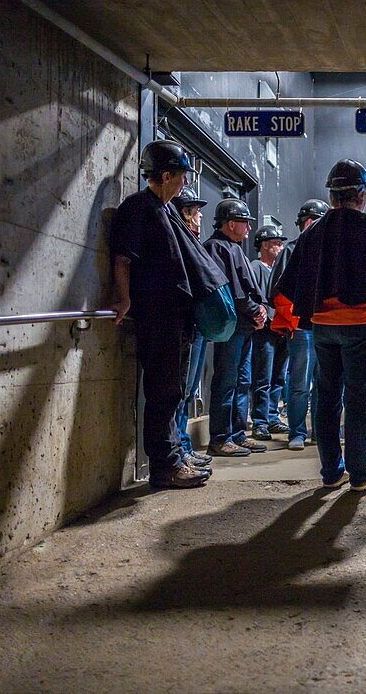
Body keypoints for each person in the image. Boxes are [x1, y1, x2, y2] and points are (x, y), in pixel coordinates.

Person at [274, 160, 366, 492]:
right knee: (359, 399)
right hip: (359, 326)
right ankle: (360, 473)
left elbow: (293, 280)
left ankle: (331, 472)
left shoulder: (312, 232)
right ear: (361, 195)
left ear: (332, 196)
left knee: (326, 397)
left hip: (321, 326)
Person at [108, 140, 214, 489]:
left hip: (177, 316)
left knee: (174, 391)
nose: (184, 185)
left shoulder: (166, 210)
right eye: (181, 178)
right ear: (165, 175)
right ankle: (165, 467)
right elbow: (123, 258)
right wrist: (123, 299)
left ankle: (174, 455)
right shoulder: (139, 209)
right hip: (158, 316)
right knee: (162, 391)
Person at [203, 198, 268, 458]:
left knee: (243, 382)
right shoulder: (216, 248)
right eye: (245, 223)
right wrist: (255, 310)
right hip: (232, 328)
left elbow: (247, 290)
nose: (250, 229)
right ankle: (220, 438)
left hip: (244, 327)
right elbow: (230, 292)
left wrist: (260, 309)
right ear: (231, 224)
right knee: (227, 382)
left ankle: (238, 433)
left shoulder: (234, 248)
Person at [268, 199, 329, 450]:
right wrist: (293, 320)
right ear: (309, 222)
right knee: (300, 384)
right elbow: (280, 292)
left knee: (324, 386)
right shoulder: (291, 251)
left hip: (326, 327)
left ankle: (320, 433)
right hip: (302, 328)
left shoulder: (329, 253)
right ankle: (297, 432)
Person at [170, 191, 213, 470]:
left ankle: (183, 444)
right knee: (180, 389)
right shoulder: (177, 239)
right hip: (181, 322)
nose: (199, 216)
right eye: (195, 211)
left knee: (187, 390)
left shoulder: (193, 242)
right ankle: (178, 447)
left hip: (196, 324)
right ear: (184, 212)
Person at [248, 223, 289, 441]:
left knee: (279, 377)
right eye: (276, 244)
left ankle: (273, 416)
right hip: (264, 331)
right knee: (262, 377)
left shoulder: (278, 270)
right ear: (264, 245)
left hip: (281, 329)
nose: (280, 248)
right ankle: (260, 421)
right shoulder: (255, 268)